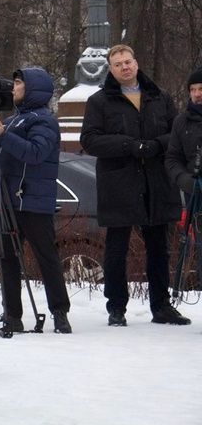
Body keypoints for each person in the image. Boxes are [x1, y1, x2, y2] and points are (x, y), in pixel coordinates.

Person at [80, 44, 190, 326]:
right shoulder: (99, 101)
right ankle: (116, 307)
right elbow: (90, 140)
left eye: (128, 62)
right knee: (116, 250)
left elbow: (177, 134)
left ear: (136, 63)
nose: (124, 67)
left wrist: (154, 146)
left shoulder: (160, 97)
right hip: (119, 184)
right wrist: (130, 145)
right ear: (111, 69)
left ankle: (161, 306)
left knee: (159, 248)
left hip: (157, 183)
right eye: (118, 64)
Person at [0, 68, 71, 334]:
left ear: (33, 88)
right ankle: (12, 314)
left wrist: (4, 136)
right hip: (9, 201)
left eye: (18, 83)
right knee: (7, 259)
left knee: (46, 257)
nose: (13, 88)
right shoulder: (17, 119)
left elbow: (36, 153)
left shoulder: (44, 120)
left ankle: (60, 313)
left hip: (34, 202)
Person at [165, 67, 202, 219]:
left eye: (201, 89)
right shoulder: (181, 121)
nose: (197, 94)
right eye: (192, 89)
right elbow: (172, 158)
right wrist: (184, 180)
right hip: (195, 194)